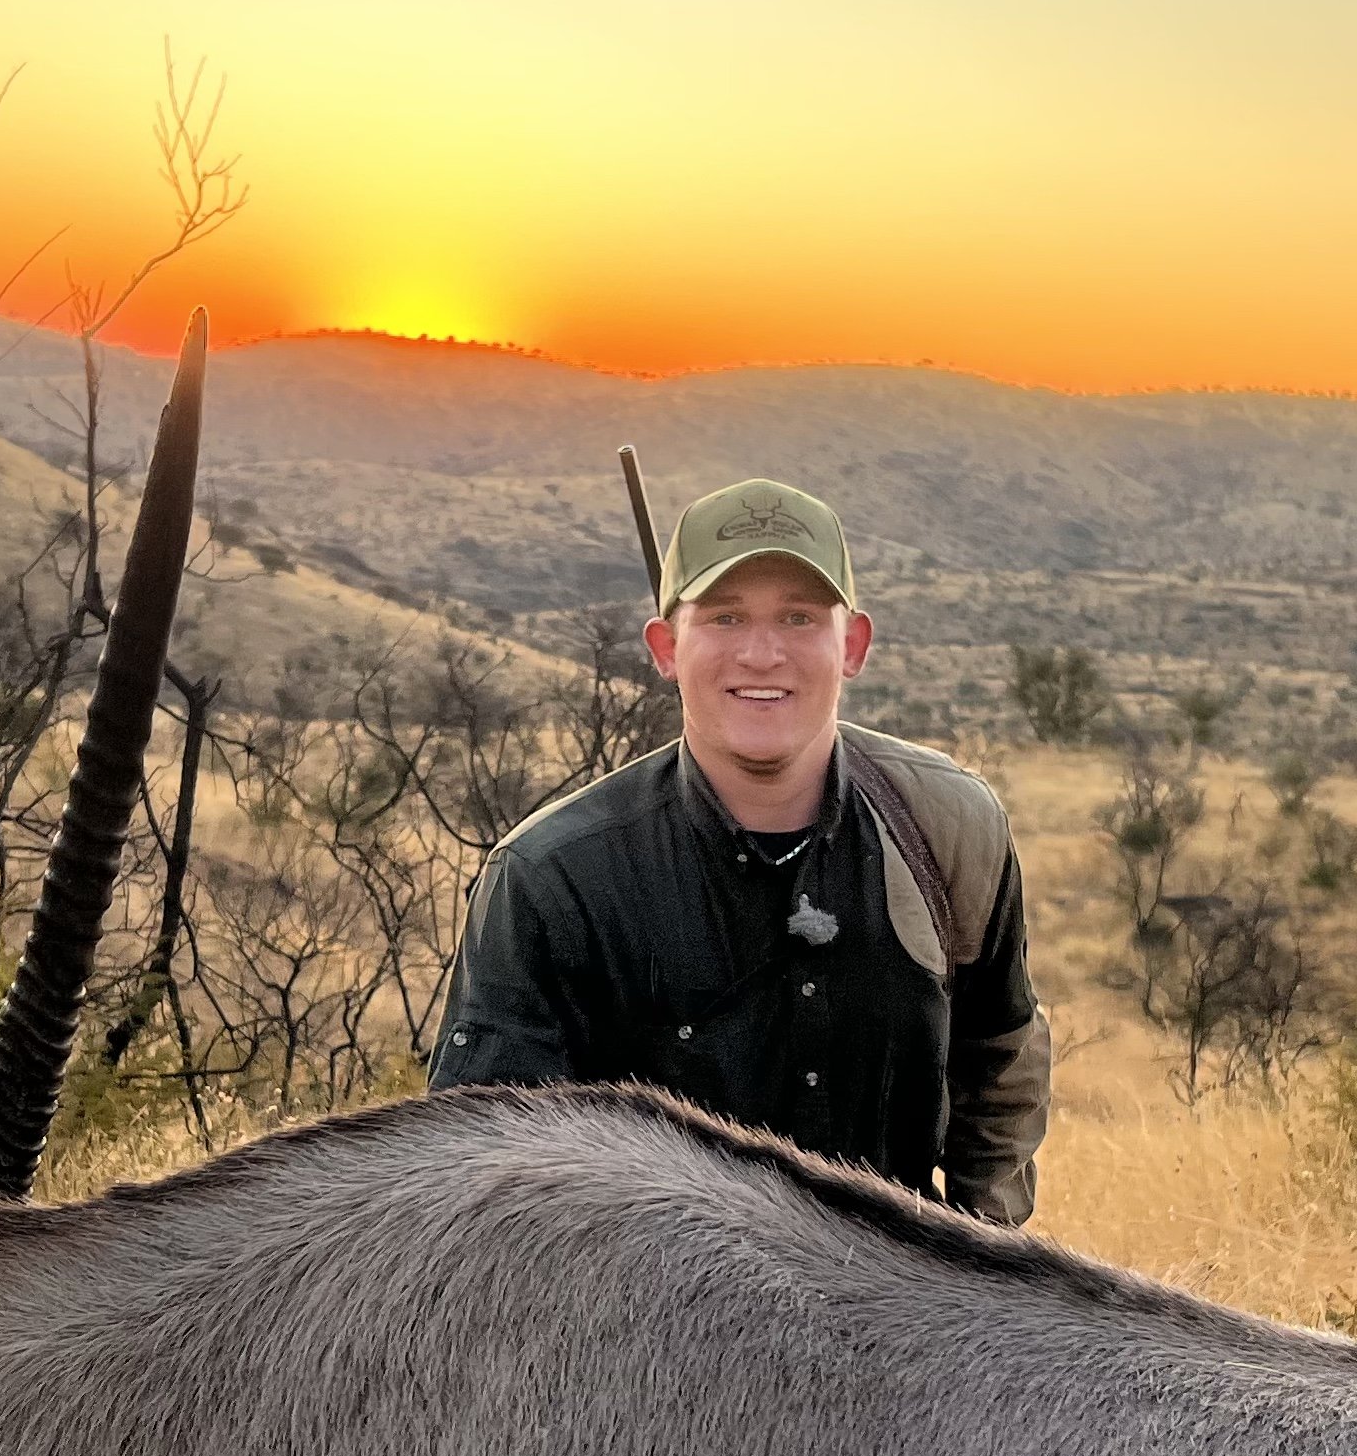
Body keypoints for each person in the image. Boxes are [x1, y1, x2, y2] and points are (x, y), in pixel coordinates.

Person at [428, 476, 1050, 1223]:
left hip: (902, 1320)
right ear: (666, 648)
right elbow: (488, 1172)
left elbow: (1002, 1062)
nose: (762, 654)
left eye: (798, 618)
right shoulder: (550, 878)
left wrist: (986, 1258)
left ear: (852, 645)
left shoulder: (949, 825)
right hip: (649, 1323)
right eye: (724, 617)